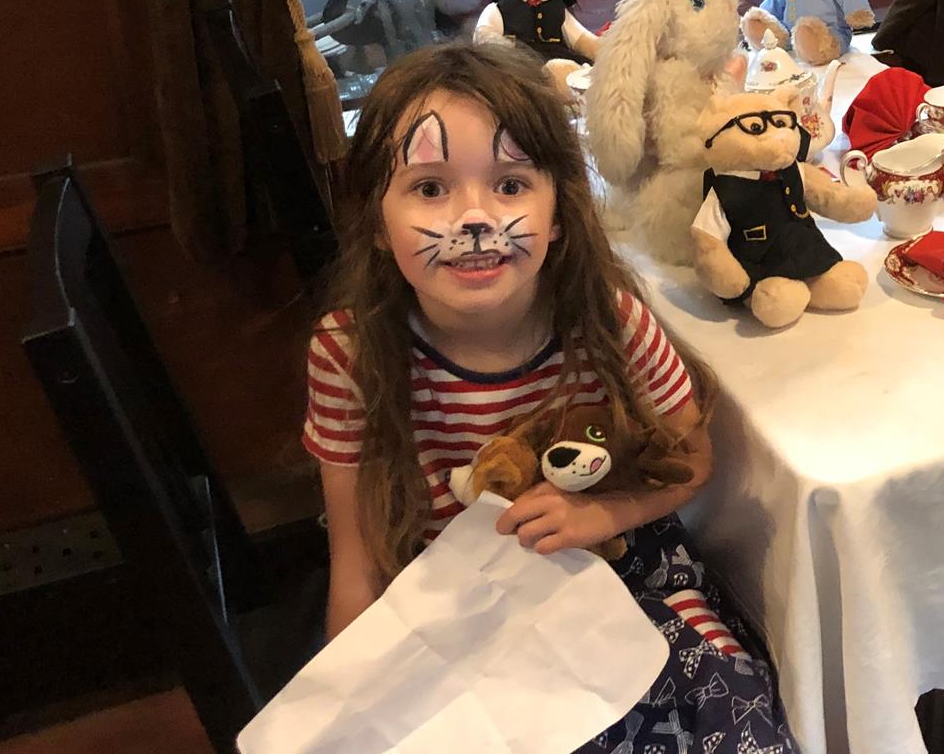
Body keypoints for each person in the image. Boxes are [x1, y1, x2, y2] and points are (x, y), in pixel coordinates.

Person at [303, 42, 796, 752]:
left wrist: (603, 512)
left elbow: (692, 460)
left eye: (509, 185)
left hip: (623, 565)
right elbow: (356, 565)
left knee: (730, 724)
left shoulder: (610, 320)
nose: (473, 220)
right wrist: (349, 708)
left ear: (560, 210)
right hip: (454, 603)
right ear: (377, 225)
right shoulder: (348, 354)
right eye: (430, 188)